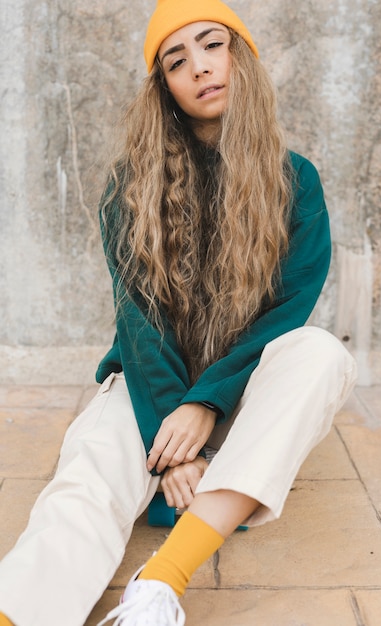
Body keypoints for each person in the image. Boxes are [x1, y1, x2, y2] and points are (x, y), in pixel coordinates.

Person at [0, 1, 357, 625]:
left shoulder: (296, 181)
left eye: (212, 45)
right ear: (163, 86)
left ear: (239, 56)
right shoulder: (130, 184)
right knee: (89, 467)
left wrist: (208, 402)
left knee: (321, 354)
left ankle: (160, 581)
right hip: (153, 387)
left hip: (243, 393)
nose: (199, 67)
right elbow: (137, 321)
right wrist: (175, 428)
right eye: (176, 60)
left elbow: (286, 313)